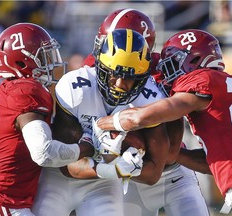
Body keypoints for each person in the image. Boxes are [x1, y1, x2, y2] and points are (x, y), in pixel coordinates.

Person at [95, 29, 232, 216]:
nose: (166, 74)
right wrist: (175, 155)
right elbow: (218, 162)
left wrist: (102, 123)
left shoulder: (203, 79)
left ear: (193, 60)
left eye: (172, 65)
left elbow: (141, 117)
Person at [85, 8, 209, 216]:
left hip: (171, 172)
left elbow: (171, 148)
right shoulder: (93, 69)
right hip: (127, 175)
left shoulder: (164, 69)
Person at [32, 28, 168, 216]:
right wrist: (116, 168)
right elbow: (65, 165)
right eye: (114, 73)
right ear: (100, 66)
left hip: (102, 185)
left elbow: (153, 173)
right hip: (59, 180)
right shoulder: (76, 87)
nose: (120, 84)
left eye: (130, 77)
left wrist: (127, 166)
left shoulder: (150, 99)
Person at [0, 22, 95, 216]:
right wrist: (86, 148)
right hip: (3, 203)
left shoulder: (10, 89)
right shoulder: (27, 90)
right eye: (44, 56)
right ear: (21, 62)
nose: (51, 62)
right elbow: (43, 152)